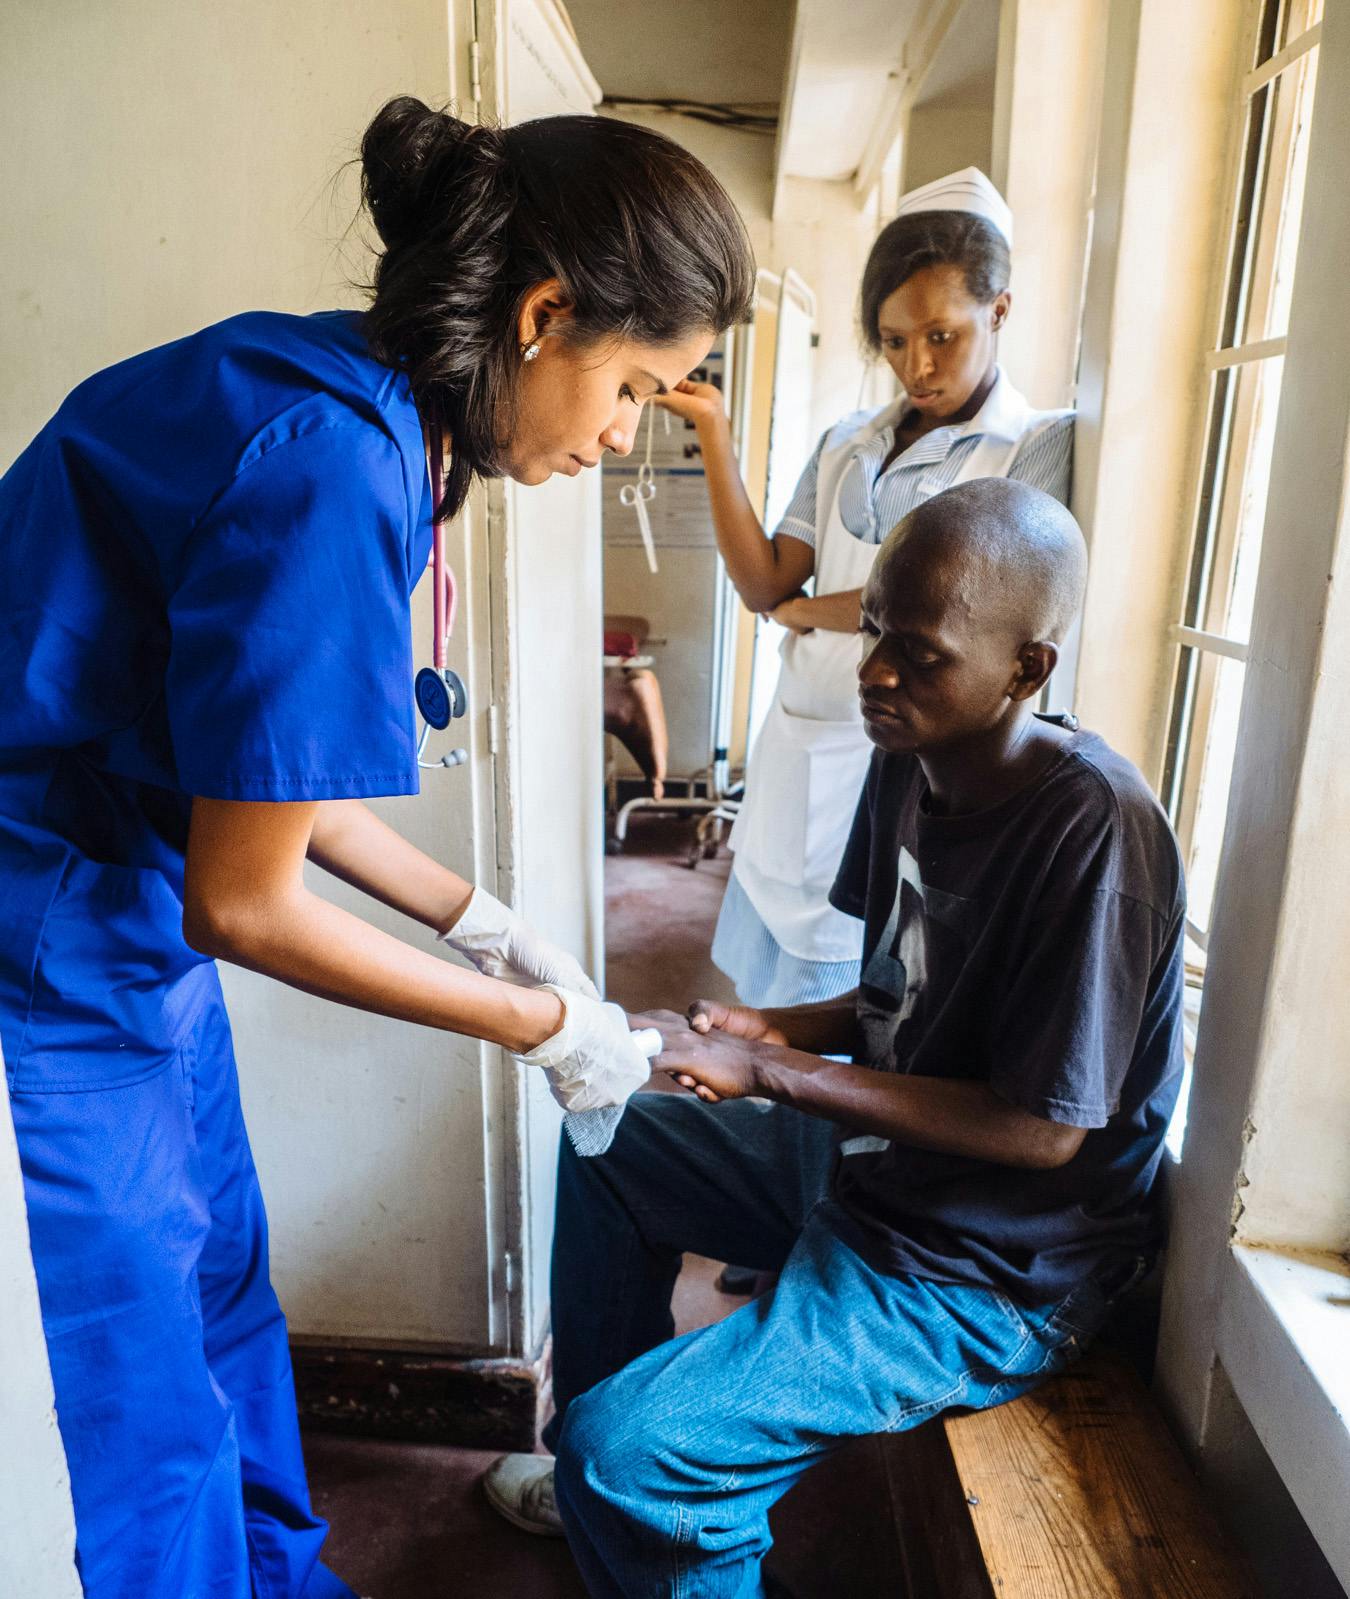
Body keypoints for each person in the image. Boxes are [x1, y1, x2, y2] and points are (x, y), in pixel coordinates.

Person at [0, 97, 755, 1599]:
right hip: (47, 932)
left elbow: (264, 779)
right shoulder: (327, 462)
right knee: (136, 1373)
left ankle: (272, 1575)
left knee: (221, 1282)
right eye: (629, 389)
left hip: (120, 899)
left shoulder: (360, 406)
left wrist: (490, 921)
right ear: (546, 316)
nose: (617, 437)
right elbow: (247, 896)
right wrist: (544, 1024)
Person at [484, 479, 1185, 1599]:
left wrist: (776, 1070)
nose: (875, 672)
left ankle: (624, 1488)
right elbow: (894, 997)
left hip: (994, 1263)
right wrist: (772, 1027)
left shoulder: (1094, 831)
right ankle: (589, 1493)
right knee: (610, 1143)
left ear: (1027, 670)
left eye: (917, 651)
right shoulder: (914, 749)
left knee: (643, 1456)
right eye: (871, 633)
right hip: (890, 1177)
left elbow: (1044, 1131)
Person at [657, 167, 1074, 1010]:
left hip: (907, 755)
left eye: (942, 335)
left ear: (999, 310)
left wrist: (808, 611)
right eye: (891, 340)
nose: (915, 366)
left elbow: (965, 608)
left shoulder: (1031, 448)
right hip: (801, 737)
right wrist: (716, 433)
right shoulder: (850, 441)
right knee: (766, 990)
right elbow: (760, 580)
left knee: (864, 994)